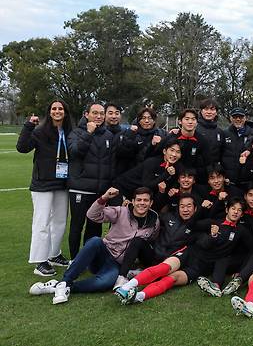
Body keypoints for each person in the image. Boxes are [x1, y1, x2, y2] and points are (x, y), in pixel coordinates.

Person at [29, 187, 159, 304]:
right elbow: (92, 215)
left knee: (106, 283)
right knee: (95, 241)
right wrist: (104, 198)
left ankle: (60, 286)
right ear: (133, 201)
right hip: (103, 252)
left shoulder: (154, 221)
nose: (142, 203)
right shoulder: (121, 211)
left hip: (118, 264)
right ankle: (66, 280)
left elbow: (147, 244)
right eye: (139, 200)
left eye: (146, 200)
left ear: (151, 203)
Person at [115, 198, 251, 304]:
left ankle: (139, 296)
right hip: (190, 253)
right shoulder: (213, 222)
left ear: (242, 214)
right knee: (164, 268)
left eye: (239, 210)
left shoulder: (241, 231)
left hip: (200, 267)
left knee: (172, 279)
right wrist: (203, 212)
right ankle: (126, 287)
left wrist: (241, 270)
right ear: (227, 209)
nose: (235, 212)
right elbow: (191, 225)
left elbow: (252, 250)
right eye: (233, 208)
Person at [17, 100, 73, 276]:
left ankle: (53, 254)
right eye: (54, 109)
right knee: (42, 222)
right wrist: (28, 126)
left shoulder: (69, 132)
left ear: (65, 112)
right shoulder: (40, 131)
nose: (57, 111)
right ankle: (39, 261)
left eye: (60, 109)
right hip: (43, 184)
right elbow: (22, 148)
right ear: (49, 112)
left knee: (60, 222)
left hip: (62, 183)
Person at [115, 192, 200, 288]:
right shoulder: (169, 217)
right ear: (178, 208)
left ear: (195, 208)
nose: (185, 210)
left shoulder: (198, 226)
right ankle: (121, 277)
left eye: (189, 206)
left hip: (171, 263)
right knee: (137, 240)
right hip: (153, 257)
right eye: (182, 206)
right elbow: (149, 213)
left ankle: (141, 273)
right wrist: (130, 208)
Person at [67, 103, 114, 259]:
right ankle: (74, 259)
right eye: (95, 113)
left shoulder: (108, 135)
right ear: (86, 114)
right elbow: (74, 152)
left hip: (99, 191)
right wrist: (88, 133)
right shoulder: (76, 132)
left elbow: (110, 162)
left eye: (101, 113)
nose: (99, 116)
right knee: (77, 225)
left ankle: (89, 258)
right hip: (80, 188)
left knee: (95, 226)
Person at [113, 107, 166, 177]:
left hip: (152, 175)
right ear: (139, 120)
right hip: (132, 174)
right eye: (143, 118)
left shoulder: (162, 134)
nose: (146, 121)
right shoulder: (130, 132)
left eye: (150, 118)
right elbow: (122, 153)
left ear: (154, 120)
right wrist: (130, 136)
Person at [222, 107, 253, 184]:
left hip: (247, 179)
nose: (238, 119)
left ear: (245, 118)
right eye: (235, 117)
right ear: (230, 118)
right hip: (229, 180)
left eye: (240, 117)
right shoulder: (224, 133)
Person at [195, 99, 224, 168]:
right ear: (201, 111)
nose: (209, 112)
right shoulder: (193, 129)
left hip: (214, 173)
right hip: (196, 172)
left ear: (216, 112)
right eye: (206, 109)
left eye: (212, 109)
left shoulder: (220, 132)